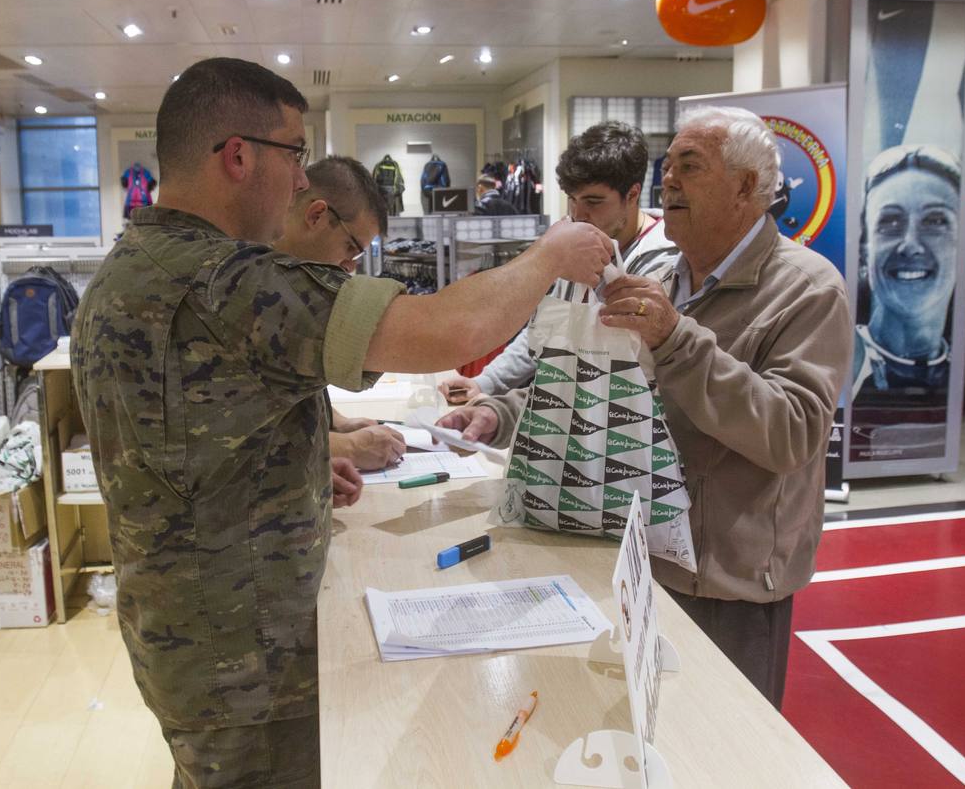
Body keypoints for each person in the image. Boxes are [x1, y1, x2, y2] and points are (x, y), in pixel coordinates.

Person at [70, 57, 612, 789]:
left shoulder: (133, 264)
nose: (301, 182)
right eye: (293, 155)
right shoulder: (226, 282)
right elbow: (441, 329)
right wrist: (549, 256)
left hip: (190, 634)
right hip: (245, 655)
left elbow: (186, 439)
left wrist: (289, 461)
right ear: (238, 156)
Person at [439, 105, 852, 709]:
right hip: (637, 557)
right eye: (669, 167)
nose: (670, 183)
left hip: (727, 584)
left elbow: (792, 433)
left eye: (690, 166)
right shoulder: (662, 274)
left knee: (724, 755)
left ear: (746, 187)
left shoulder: (808, 290)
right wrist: (500, 411)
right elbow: (604, 384)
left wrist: (677, 339)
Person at [439, 121, 678, 403]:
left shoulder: (666, 264)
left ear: (633, 194)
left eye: (593, 201)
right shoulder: (572, 245)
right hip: (565, 420)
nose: (579, 213)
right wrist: (485, 382)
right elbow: (545, 329)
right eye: (572, 199)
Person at [274, 154, 405, 471]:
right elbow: (239, 430)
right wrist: (348, 447)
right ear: (317, 215)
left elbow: (285, 387)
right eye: (351, 248)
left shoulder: (292, 280)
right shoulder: (254, 284)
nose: (350, 266)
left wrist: (339, 423)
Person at [852, 144, 960, 397]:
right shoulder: (840, 365)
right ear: (865, 249)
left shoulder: (960, 382)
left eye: (935, 221)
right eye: (890, 221)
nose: (910, 245)